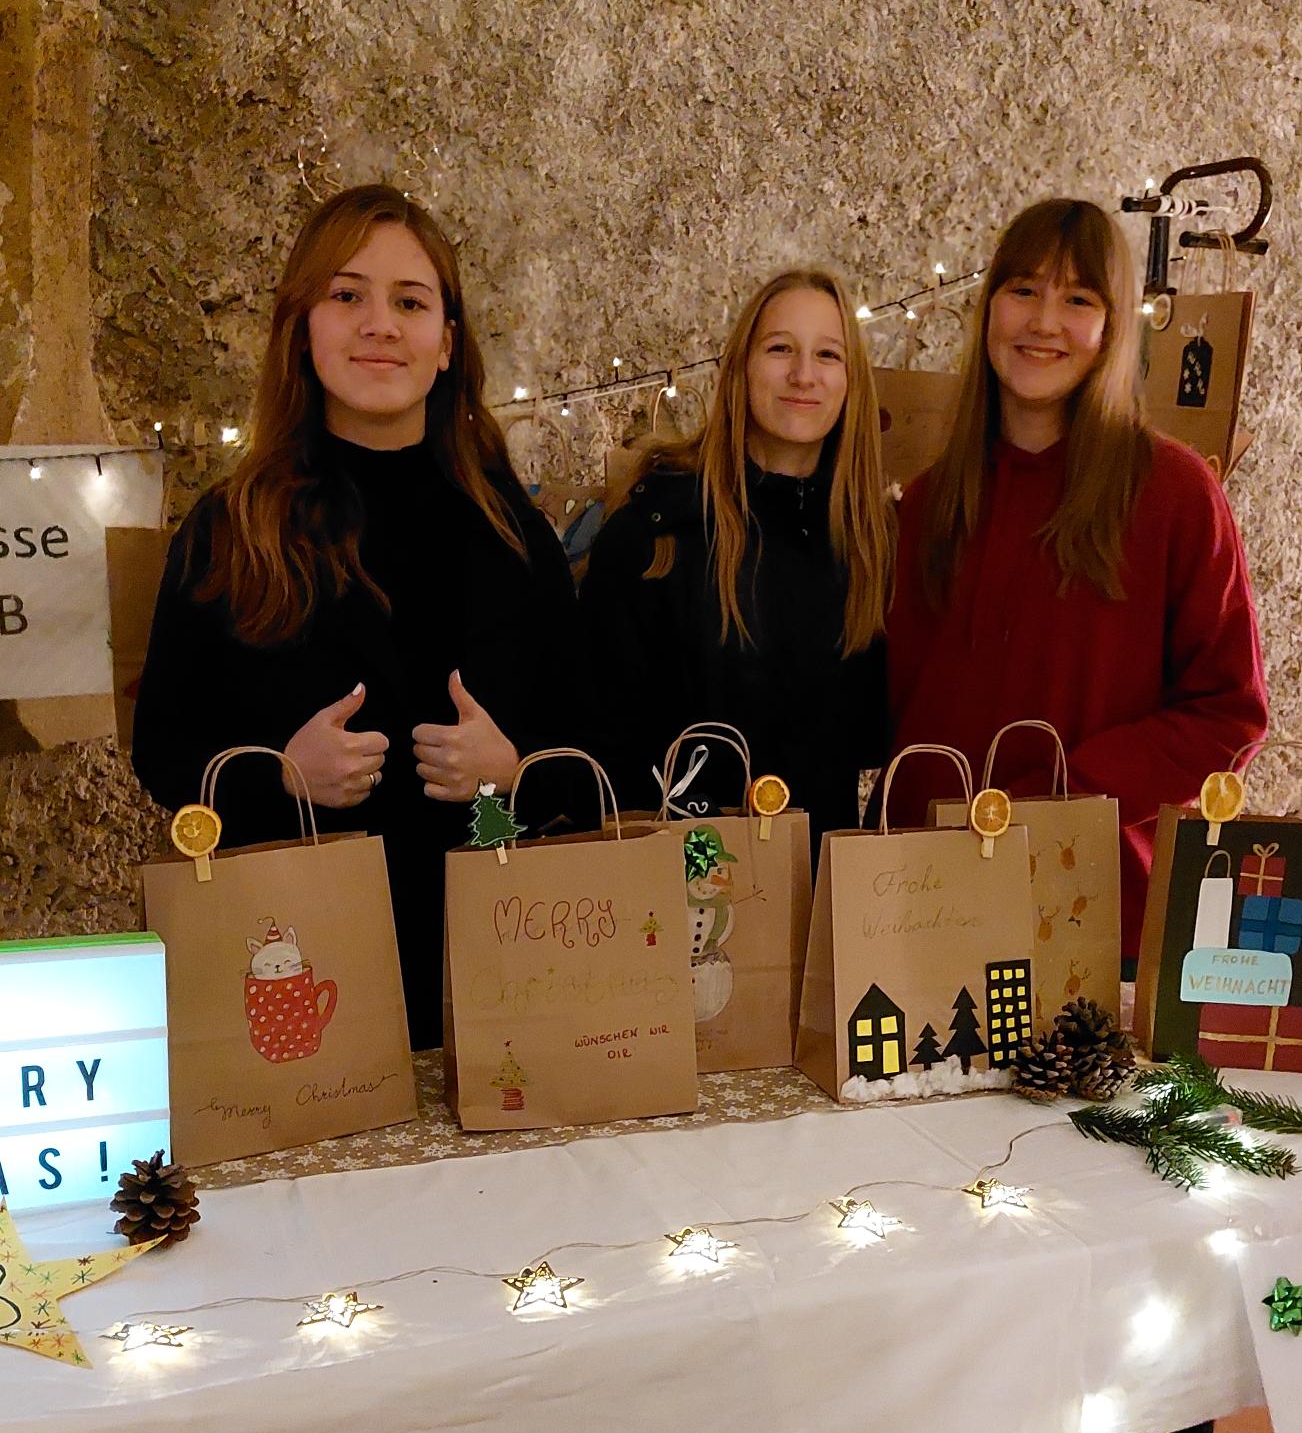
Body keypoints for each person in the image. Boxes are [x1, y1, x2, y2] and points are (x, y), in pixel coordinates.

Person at [133, 184, 581, 1047]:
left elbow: (592, 742)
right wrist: (280, 775)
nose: (379, 324)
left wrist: (513, 768)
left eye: (409, 302)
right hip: (298, 969)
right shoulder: (230, 531)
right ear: (303, 328)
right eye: (347, 295)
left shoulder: (514, 535)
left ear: (446, 344)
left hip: (499, 978)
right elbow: (163, 751)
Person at [886, 197, 1268, 960]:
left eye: (1078, 299)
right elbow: (900, 706)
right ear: (990, 307)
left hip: (1094, 908)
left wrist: (1059, 795)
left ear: (1114, 325)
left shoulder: (1175, 493)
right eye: (1024, 289)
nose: (1044, 322)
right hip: (926, 904)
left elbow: (1229, 714)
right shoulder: (930, 502)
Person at [578, 268, 893, 849]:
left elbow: (870, 739)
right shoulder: (656, 536)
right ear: (741, 368)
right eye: (780, 349)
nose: (803, 375)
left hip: (828, 881)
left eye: (828, 354)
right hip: (690, 873)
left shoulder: (870, 544)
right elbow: (606, 749)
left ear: (852, 382)